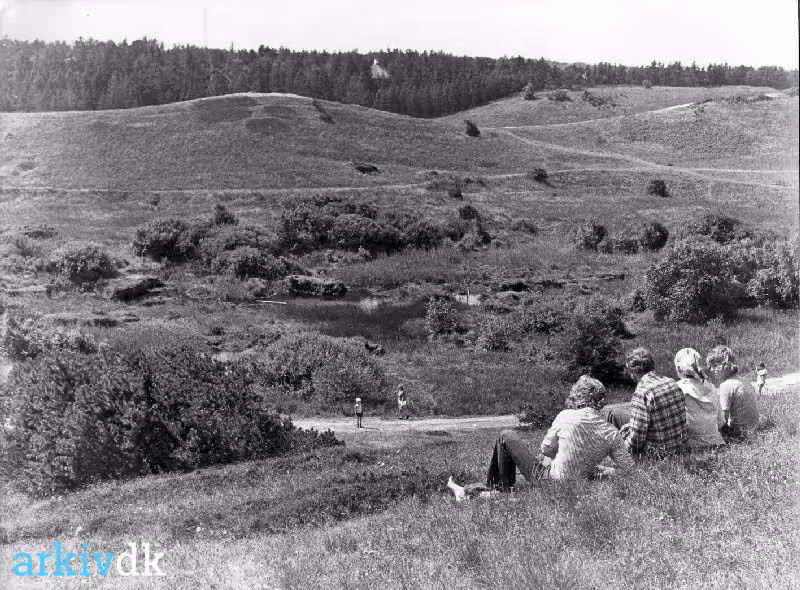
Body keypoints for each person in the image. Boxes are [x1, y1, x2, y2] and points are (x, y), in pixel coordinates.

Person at [481, 375, 634, 491]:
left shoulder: (566, 416)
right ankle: (500, 488)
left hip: (550, 481)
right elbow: (629, 469)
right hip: (579, 482)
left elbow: (546, 449)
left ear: (577, 396)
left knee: (506, 435)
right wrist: (600, 470)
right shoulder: (611, 432)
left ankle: (499, 489)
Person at [602, 347, 687, 457]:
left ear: (633, 372)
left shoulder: (642, 393)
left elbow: (636, 441)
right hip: (679, 446)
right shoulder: (671, 382)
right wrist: (631, 426)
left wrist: (618, 451)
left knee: (611, 414)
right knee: (616, 414)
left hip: (656, 453)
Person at [673, 348, 725, 449]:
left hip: (691, 444)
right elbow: (721, 421)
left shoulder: (677, 388)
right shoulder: (711, 386)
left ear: (679, 368)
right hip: (716, 441)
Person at [706, 346, 759, 440]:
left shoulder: (726, 385)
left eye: (714, 366)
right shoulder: (743, 380)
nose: (711, 369)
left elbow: (723, 419)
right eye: (710, 366)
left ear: (726, 365)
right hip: (754, 428)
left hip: (739, 433)